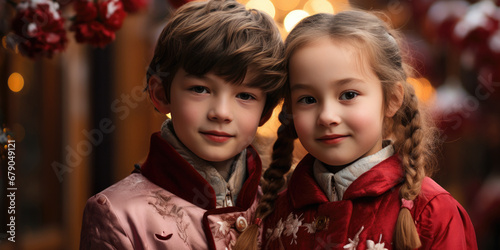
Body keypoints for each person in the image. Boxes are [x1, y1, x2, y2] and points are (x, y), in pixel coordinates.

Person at [235, 10, 477, 249]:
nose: (327, 117)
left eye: (348, 95)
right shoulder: (273, 214)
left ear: (392, 99)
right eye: (308, 99)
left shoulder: (432, 213)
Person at [79, 0, 284, 249]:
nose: (221, 113)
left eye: (245, 96)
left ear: (266, 111)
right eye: (200, 89)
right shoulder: (118, 214)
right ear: (162, 94)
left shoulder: (284, 203)